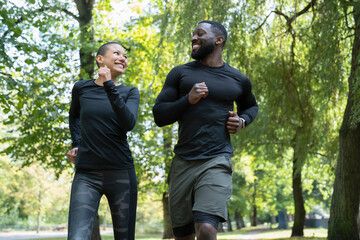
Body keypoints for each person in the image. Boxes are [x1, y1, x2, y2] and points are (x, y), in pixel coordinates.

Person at [152, 20, 258, 240]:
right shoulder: (180, 74)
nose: (193, 38)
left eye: (200, 34)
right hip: (183, 162)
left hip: (217, 159)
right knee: (184, 236)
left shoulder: (238, 79)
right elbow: (160, 115)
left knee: (207, 229)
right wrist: (187, 100)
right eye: (193, 34)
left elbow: (251, 107)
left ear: (219, 40)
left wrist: (242, 120)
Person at [66, 42, 140, 240]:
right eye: (117, 53)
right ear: (100, 59)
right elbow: (74, 117)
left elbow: (128, 122)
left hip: (121, 173)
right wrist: (77, 143)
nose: (123, 58)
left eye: (125, 56)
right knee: (76, 237)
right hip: (87, 174)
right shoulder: (81, 88)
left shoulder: (130, 92)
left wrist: (109, 85)